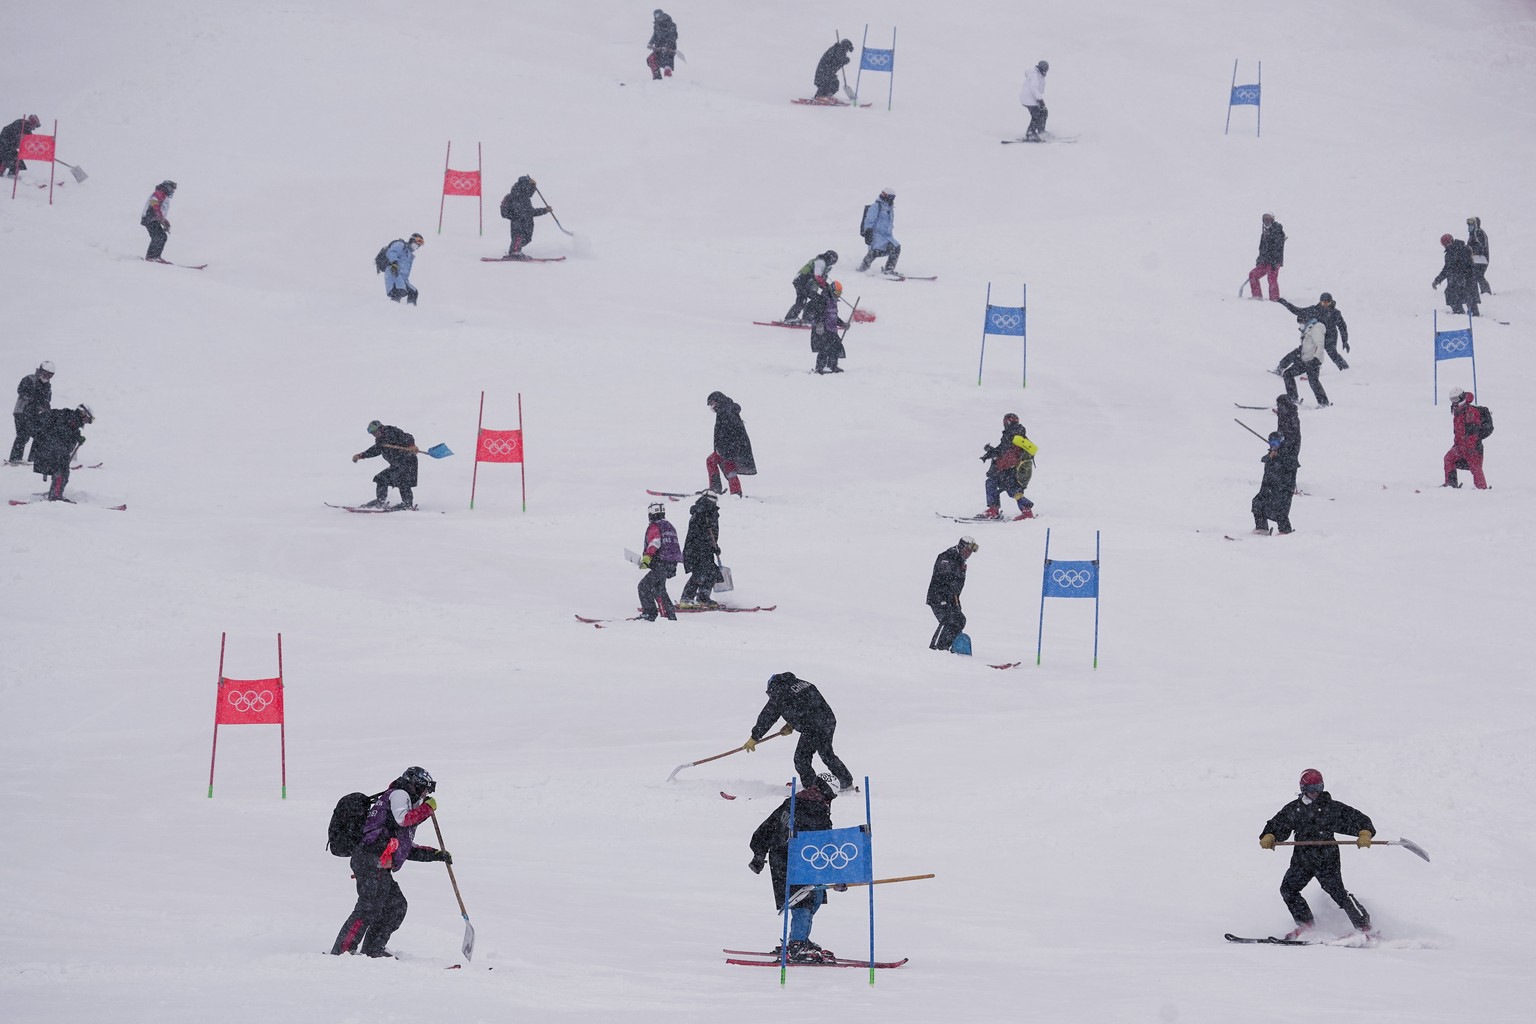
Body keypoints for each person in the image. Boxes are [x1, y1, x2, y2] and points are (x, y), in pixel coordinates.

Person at [330, 766, 452, 958]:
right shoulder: (399, 794)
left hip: (378, 861)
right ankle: (343, 950)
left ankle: (373, 950)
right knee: (369, 905)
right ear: (416, 785)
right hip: (370, 858)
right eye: (426, 789)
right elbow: (404, 820)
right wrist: (427, 808)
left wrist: (436, 854)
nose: (426, 794)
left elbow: (403, 847)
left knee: (395, 906)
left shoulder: (401, 804)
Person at [1259, 768, 1375, 939]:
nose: (1315, 793)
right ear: (1303, 788)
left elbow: (1358, 819)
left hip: (1327, 858)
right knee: (1288, 890)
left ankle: (1365, 928)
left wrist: (1365, 832)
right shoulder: (1294, 809)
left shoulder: (1331, 807)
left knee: (1338, 893)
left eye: (1319, 788)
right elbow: (1279, 824)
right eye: (1311, 789)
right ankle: (1306, 924)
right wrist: (1270, 835)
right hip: (1302, 859)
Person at [748, 773, 841, 964]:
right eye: (831, 797)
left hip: (786, 859)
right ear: (825, 792)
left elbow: (768, 826)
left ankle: (799, 939)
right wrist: (838, 874)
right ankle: (797, 944)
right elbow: (826, 846)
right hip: (796, 861)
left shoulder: (793, 802)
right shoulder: (815, 810)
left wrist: (759, 853)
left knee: (811, 897)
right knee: (803, 900)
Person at [742, 672, 854, 792]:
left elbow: (768, 716)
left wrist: (754, 737)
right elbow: (806, 705)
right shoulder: (803, 683)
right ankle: (846, 783)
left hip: (813, 727)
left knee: (801, 759)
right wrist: (792, 724)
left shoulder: (780, 691)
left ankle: (812, 789)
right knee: (826, 754)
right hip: (828, 721)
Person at [31, 403, 94, 502]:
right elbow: (63, 431)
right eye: (86, 418)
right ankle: (55, 495)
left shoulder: (71, 418)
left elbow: (68, 431)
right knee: (61, 470)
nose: (86, 422)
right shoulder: (71, 418)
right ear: (82, 413)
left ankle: (55, 491)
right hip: (52, 447)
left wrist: (78, 437)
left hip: (51, 447)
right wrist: (76, 437)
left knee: (61, 470)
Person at [979, 412, 1036, 520]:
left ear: (1007, 422)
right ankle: (1026, 512)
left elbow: (1004, 451)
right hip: (1013, 469)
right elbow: (1004, 450)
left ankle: (993, 510)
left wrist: (992, 453)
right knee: (1013, 490)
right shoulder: (1019, 434)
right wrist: (991, 453)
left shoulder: (1011, 433)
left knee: (994, 483)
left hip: (1008, 469)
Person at [927, 536, 979, 651]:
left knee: (960, 620)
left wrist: (956, 603)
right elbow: (944, 579)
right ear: (961, 547)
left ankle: (947, 647)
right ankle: (936, 648)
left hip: (951, 598)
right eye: (967, 550)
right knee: (948, 620)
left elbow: (956, 588)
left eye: (970, 552)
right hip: (938, 597)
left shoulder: (960, 561)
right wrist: (946, 599)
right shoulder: (947, 557)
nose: (968, 554)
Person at [352, 420, 419, 509]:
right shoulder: (380, 440)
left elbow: (407, 437)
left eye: (375, 432)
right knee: (381, 478)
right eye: (372, 433)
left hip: (408, 462)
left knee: (403, 482)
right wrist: (361, 455)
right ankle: (380, 501)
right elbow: (375, 450)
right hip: (397, 464)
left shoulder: (392, 431)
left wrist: (411, 446)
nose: (374, 434)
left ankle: (407, 504)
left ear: (381, 428)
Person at [1277, 293, 1349, 371]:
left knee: (1333, 354)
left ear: (1331, 302)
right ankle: (1281, 367)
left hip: (1330, 337)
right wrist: (1285, 303)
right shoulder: (1314, 310)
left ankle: (1346, 370)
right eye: (1323, 302)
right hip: (1316, 335)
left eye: (1327, 302)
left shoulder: (1335, 313)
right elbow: (1297, 311)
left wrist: (1345, 340)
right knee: (1302, 351)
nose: (1325, 304)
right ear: (1320, 301)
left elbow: (1342, 327)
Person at [705, 391, 757, 495]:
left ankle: (722, 490)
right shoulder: (725, 410)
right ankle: (731, 491)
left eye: (712, 404)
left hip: (730, 449)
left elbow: (732, 433)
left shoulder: (727, 412)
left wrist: (725, 449)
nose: (711, 407)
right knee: (723, 466)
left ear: (717, 401)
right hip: (729, 449)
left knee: (718, 463)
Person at [638, 502, 681, 621]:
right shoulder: (669, 526)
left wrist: (648, 558)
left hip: (660, 563)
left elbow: (655, 542)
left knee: (644, 586)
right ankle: (670, 614)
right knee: (659, 588)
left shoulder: (655, 526)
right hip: (671, 564)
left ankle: (649, 613)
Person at [679, 492, 722, 608]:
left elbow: (710, 532)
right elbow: (700, 533)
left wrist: (714, 546)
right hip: (697, 550)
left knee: (712, 572)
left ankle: (703, 597)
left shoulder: (707, 512)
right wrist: (710, 545)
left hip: (704, 550)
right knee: (700, 574)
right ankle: (686, 598)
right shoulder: (703, 512)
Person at [1442, 387, 1490, 490]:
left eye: (1455, 399)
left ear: (1461, 398)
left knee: (1475, 467)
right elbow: (1458, 432)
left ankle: (1482, 488)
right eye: (1452, 400)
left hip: (1472, 447)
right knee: (1448, 459)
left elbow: (1473, 432)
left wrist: (1469, 447)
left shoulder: (1470, 412)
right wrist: (1457, 445)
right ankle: (1451, 484)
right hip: (1459, 446)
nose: (1453, 402)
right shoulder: (1457, 411)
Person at [8, 360, 54, 464]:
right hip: (22, 411)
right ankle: (15, 458)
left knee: (40, 434)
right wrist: (35, 401)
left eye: (50, 375)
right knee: (23, 434)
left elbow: (47, 400)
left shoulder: (47, 387)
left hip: (34, 414)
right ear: (40, 371)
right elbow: (21, 391)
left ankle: (33, 458)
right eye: (46, 374)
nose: (47, 377)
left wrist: (47, 409)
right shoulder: (29, 379)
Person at [1277, 316, 1330, 407]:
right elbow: (1307, 346)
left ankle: (1323, 402)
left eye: (1301, 322)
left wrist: (1316, 359)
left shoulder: (1316, 329)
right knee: (1288, 374)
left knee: (1313, 381)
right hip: (1305, 360)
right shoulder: (1307, 330)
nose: (1300, 325)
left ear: (1307, 321)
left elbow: (1320, 345)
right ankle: (1293, 398)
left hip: (1313, 361)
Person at [1251, 431, 1296, 535]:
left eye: (1276, 443)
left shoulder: (1288, 454)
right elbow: (1265, 460)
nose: (1274, 445)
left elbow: (1289, 467)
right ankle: (1261, 527)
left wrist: (1278, 458)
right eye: (1272, 443)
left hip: (1283, 489)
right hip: (1269, 487)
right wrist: (1271, 457)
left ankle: (1285, 530)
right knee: (1257, 503)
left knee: (1280, 509)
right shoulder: (1271, 455)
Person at [498, 177, 551, 259]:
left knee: (527, 238)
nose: (533, 192)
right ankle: (514, 252)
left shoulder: (525, 198)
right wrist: (516, 215)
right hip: (518, 221)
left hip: (527, 222)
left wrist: (544, 210)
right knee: (519, 235)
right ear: (526, 187)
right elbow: (505, 211)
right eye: (532, 189)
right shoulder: (515, 196)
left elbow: (530, 212)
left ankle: (517, 250)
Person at [784, 250, 837, 324]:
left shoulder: (826, 265)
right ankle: (790, 318)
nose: (832, 262)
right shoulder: (820, 262)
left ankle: (807, 317)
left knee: (815, 299)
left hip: (808, 283)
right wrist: (824, 284)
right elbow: (817, 276)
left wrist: (825, 285)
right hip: (801, 281)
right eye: (833, 260)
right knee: (802, 299)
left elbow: (820, 278)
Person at [1433, 233, 1480, 316]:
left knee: (1468, 296)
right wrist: (1438, 280)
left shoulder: (1463, 249)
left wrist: (1463, 276)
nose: (1445, 246)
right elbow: (1447, 269)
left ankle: (1474, 315)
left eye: (1446, 243)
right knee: (1450, 293)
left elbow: (1467, 265)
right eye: (1444, 244)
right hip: (1457, 280)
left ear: (1451, 241)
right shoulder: (1449, 254)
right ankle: (1459, 313)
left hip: (1467, 279)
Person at [857, 190, 900, 275]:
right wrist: (868, 231)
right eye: (882, 193)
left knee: (896, 247)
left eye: (885, 194)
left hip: (887, 236)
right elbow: (869, 219)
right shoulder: (876, 206)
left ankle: (889, 269)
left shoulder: (890, 208)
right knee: (875, 251)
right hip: (876, 235)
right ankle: (863, 268)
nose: (882, 195)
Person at [809, 280, 847, 374]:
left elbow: (833, 316)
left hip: (832, 329)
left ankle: (832, 366)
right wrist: (819, 324)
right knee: (824, 348)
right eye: (837, 292)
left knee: (836, 347)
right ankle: (820, 367)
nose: (838, 295)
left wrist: (842, 324)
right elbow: (818, 314)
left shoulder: (833, 301)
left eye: (840, 293)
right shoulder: (824, 299)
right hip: (822, 329)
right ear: (831, 290)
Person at [1246, 213, 1286, 300]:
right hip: (1265, 261)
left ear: (1272, 220)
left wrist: (1275, 261)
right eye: (1265, 219)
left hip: (1274, 262)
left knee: (1271, 278)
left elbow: (1278, 248)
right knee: (1253, 274)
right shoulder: (1264, 233)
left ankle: (1274, 298)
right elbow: (1262, 249)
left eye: (1269, 219)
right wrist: (1259, 260)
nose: (1267, 221)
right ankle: (1257, 296)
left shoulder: (1277, 231)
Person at [140, 180, 177, 263]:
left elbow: (161, 212)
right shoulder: (160, 193)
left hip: (154, 218)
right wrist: (157, 213)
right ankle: (151, 257)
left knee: (162, 236)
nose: (173, 191)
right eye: (172, 189)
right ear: (167, 187)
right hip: (149, 217)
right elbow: (153, 201)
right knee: (158, 236)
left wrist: (165, 221)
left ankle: (156, 256)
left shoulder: (165, 196)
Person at [1273, 393, 1302, 494]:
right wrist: (1275, 441)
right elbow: (1280, 431)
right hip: (1284, 443)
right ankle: (1280, 482)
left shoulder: (1291, 417)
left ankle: (1290, 485)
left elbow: (1293, 434)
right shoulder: (1282, 415)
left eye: (1280, 405)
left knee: (1290, 463)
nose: (1278, 407)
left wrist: (1285, 444)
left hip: (1292, 445)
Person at [384, 234, 424, 304]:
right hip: (394, 274)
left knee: (413, 292)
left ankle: (410, 310)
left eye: (421, 243)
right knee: (398, 292)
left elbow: (404, 272)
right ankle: (392, 310)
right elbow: (391, 252)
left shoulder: (410, 255)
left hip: (402, 279)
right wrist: (394, 263)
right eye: (418, 241)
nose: (418, 244)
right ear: (412, 240)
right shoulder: (401, 245)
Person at [1018, 60, 1049, 141]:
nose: (1045, 73)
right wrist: (1040, 99)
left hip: (1032, 98)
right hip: (1028, 98)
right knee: (1036, 115)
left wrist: (1039, 100)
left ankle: (1041, 131)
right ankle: (1030, 133)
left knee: (1044, 112)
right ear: (1041, 68)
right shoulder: (1034, 74)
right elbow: (1033, 88)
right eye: (1044, 70)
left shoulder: (1039, 75)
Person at [647, 9, 678, 80]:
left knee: (667, 65)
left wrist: (667, 46)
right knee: (651, 59)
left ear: (662, 14)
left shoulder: (669, 24)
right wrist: (651, 43)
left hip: (669, 49)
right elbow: (655, 36)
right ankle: (657, 78)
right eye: (655, 15)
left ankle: (669, 81)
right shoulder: (656, 26)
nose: (657, 17)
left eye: (658, 14)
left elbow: (673, 36)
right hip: (658, 48)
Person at [1466, 216, 1491, 295]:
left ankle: (1486, 291)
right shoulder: (1472, 234)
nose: (1470, 227)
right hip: (1476, 259)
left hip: (1482, 259)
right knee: (1474, 275)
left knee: (1478, 275)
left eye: (1472, 225)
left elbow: (1481, 246)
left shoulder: (1479, 233)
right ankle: (1478, 291)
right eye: (1469, 225)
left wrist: (1471, 250)